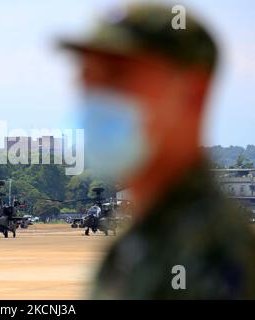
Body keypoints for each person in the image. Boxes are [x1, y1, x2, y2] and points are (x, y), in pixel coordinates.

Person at [59, 3, 255, 299]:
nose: (96, 99)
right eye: (88, 77)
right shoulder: (145, 238)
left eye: (117, 76)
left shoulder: (212, 255)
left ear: (193, 93)